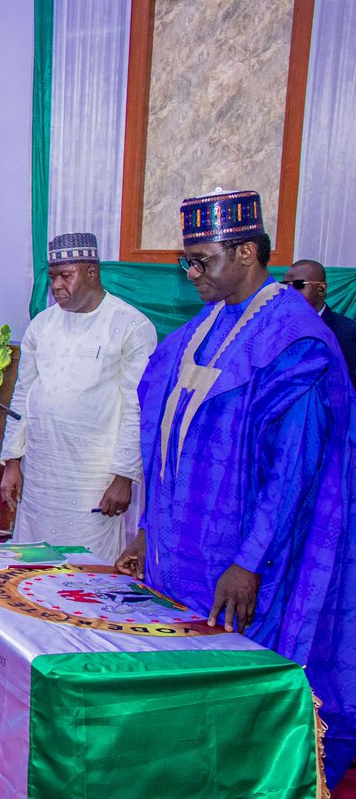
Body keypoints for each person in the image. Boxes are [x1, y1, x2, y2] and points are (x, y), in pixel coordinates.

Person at [115, 190, 356, 788]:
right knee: (181, 698)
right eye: (187, 261)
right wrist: (149, 529)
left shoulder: (293, 339)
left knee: (234, 703)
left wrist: (249, 562)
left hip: (247, 566)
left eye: (202, 260)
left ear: (247, 252)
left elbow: (293, 470)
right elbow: (168, 447)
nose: (191, 273)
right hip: (180, 556)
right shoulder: (205, 327)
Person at [0, 233, 156, 563]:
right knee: (31, 564)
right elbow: (22, 394)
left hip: (93, 479)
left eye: (65, 276)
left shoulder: (130, 325)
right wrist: (12, 461)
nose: (56, 286)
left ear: (91, 272)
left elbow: (137, 407)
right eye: (52, 277)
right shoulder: (42, 324)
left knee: (85, 570)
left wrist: (124, 477)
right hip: (40, 473)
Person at [283, 258, 356, 388]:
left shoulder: (346, 332)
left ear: (321, 289)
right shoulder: (275, 328)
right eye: (285, 285)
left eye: (299, 285)